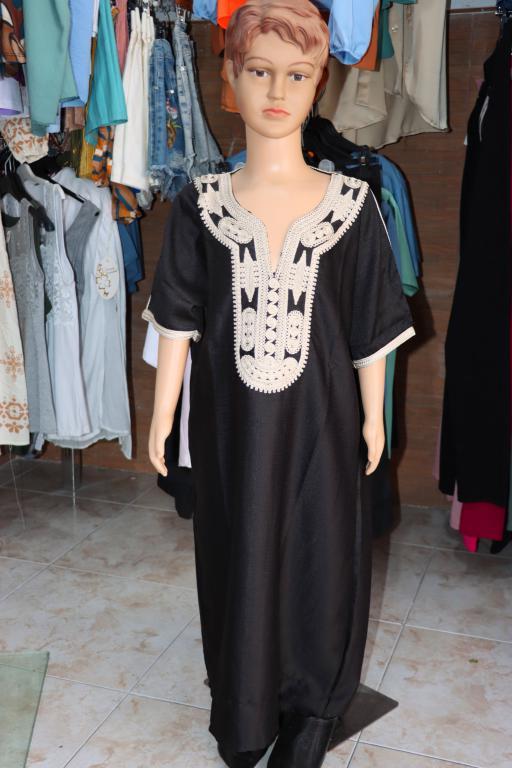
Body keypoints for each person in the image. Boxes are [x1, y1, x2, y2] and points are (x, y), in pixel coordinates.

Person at [143, 2, 415, 766]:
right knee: (233, 554)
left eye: (297, 75)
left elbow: (370, 328)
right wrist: (164, 416)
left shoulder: (353, 208)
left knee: (318, 558)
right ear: (229, 77)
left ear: (320, 82)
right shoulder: (201, 207)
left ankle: (312, 708)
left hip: (322, 428)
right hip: (229, 432)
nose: (276, 91)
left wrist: (374, 419)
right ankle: (242, 706)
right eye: (259, 70)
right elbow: (177, 320)